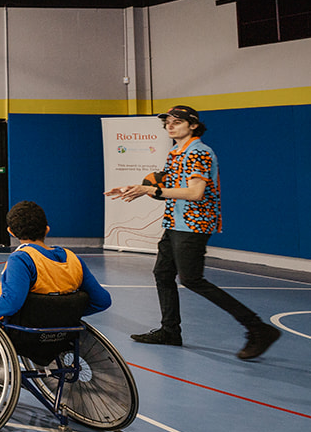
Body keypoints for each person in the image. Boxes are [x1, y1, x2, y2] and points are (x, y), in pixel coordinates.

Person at [106, 104, 279, 360]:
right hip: (174, 222)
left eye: (177, 121)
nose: (170, 125)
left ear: (194, 125)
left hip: (193, 224)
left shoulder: (200, 152)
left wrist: (150, 190)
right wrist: (134, 187)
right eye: (167, 122)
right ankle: (170, 332)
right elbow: (169, 185)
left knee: (192, 279)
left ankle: (257, 327)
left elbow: (195, 193)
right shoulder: (175, 152)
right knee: (163, 274)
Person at [0, 200, 111, 326]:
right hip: (60, 325)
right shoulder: (73, 258)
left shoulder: (22, 259)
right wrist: (62, 313)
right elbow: (102, 301)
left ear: (11, 232)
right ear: (47, 229)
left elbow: (9, 305)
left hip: (21, 327)